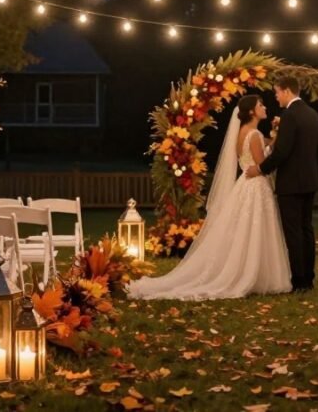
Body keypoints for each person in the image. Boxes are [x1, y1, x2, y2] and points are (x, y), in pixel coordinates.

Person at [125, 94, 291, 300]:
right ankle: (254, 274)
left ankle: (254, 273)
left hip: (245, 185)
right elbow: (260, 164)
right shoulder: (254, 134)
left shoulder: (243, 132)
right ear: (251, 111)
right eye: (260, 105)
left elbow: (256, 154)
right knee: (256, 229)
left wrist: (274, 138)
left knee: (248, 230)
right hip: (255, 185)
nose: (264, 107)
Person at [245, 73, 318, 292]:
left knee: (293, 232)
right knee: (307, 229)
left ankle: (298, 281)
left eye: (277, 93)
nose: (276, 98)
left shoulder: (290, 115)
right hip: (310, 180)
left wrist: (260, 168)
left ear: (287, 91)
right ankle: (309, 277)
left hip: (292, 183)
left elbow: (282, 153)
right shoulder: (312, 114)